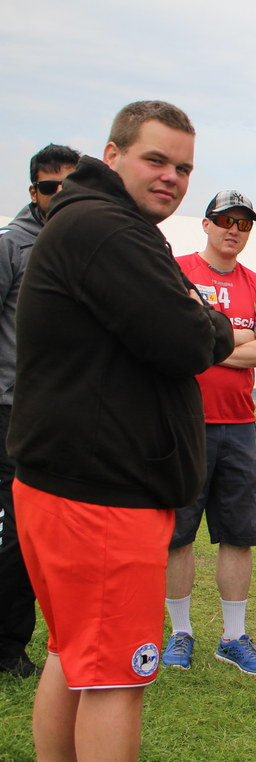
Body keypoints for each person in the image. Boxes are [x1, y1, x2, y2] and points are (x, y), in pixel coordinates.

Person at [8, 101, 233, 762]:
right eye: (155, 159)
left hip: (65, 486)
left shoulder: (92, 223)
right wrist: (213, 323)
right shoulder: (109, 232)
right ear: (112, 155)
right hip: (101, 498)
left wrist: (198, 316)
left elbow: (179, 322)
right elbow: (189, 338)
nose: (172, 177)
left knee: (72, 656)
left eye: (184, 168)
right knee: (113, 677)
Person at [162, 190, 256, 675]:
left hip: (239, 426)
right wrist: (239, 337)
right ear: (206, 223)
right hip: (183, 423)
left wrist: (209, 342)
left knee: (238, 533)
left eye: (244, 223)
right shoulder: (178, 271)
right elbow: (173, 339)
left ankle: (233, 638)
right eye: (225, 220)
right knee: (178, 534)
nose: (234, 230)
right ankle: (180, 633)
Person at [0, 143, 80, 678]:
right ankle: (6, 647)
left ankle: (30, 640)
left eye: (69, 187)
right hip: (11, 412)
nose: (59, 196)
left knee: (47, 535)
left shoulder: (84, 243)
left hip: (64, 414)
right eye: (50, 188)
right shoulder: (12, 246)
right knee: (12, 533)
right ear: (34, 191)